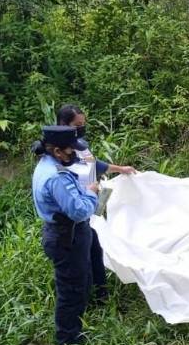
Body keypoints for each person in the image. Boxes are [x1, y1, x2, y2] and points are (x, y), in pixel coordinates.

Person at [56, 104, 136, 301]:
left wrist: (120, 169)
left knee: (95, 247)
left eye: (83, 124)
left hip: (91, 204)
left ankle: (101, 293)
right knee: (82, 255)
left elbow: (94, 164)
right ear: (63, 124)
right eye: (77, 124)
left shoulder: (80, 144)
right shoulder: (59, 152)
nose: (81, 128)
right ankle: (86, 298)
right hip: (76, 209)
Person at [31, 126, 99, 345]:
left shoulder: (47, 166)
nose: (75, 155)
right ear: (58, 151)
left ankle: (75, 332)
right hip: (67, 237)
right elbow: (78, 211)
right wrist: (91, 192)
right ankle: (68, 344)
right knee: (71, 291)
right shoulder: (57, 177)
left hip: (61, 233)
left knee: (77, 284)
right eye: (71, 151)